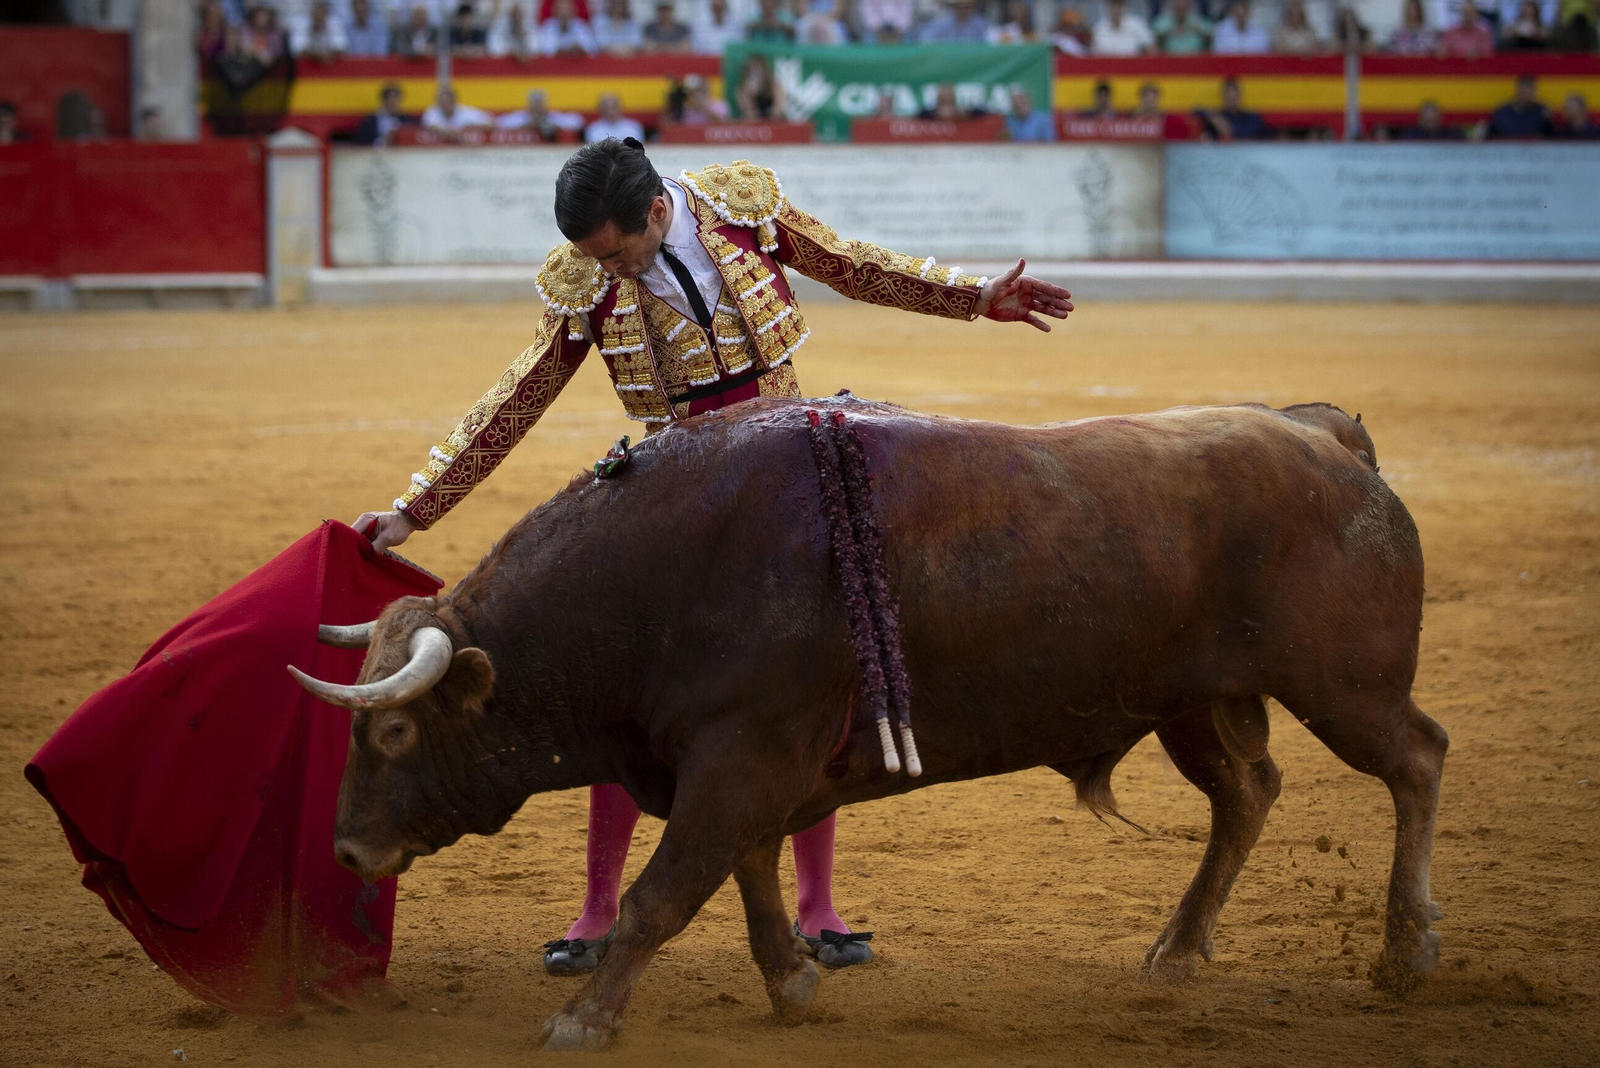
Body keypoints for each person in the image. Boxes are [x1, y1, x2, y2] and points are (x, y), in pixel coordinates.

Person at [354, 139, 1073, 976]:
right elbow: (518, 396)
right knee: (620, 693)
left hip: (792, 480)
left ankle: (818, 907)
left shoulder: (740, 206)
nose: (611, 271)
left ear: (658, 210)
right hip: (676, 502)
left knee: (808, 686)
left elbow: (850, 265)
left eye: (619, 253)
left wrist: (973, 296)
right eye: (598, 260)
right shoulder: (586, 278)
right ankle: (597, 909)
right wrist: (415, 508)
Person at [1196, 77, 1273, 140]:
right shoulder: (1218, 117)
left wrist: (1229, 130)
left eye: (1234, 97)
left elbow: (1266, 137)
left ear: (1239, 96)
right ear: (1223, 97)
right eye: (1228, 97)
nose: (1231, 100)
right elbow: (1196, 111)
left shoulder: (1252, 118)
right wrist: (1213, 117)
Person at [496, 87, 585, 137]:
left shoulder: (553, 116)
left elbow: (578, 121)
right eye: (534, 103)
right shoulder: (521, 116)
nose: (537, 107)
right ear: (529, 104)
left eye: (539, 103)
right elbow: (500, 123)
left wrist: (555, 127)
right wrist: (526, 126)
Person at [1486, 74, 1551, 137]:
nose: (1526, 94)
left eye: (1530, 91)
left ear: (1534, 92)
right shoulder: (1503, 113)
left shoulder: (1542, 113)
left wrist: (1548, 122)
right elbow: (1490, 137)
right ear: (1518, 90)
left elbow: (1551, 138)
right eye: (1523, 91)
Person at [422, 84, 493, 138]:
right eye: (443, 102)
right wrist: (454, 135)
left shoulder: (465, 112)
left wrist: (471, 127)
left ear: (454, 101)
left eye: (448, 101)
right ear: (438, 102)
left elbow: (491, 123)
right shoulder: (432, 112)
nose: (446, 105)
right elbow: (431, 126)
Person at [735, 54, 784, 119]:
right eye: (752, 70)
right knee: (747, 118)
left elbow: (779, 107)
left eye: (758, 69)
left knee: (779, 117)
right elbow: (747, 110)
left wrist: (772, 113)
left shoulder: (774, 84)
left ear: (764, 70)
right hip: (754, 118)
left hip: (772, 117)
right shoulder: (743, 89)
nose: (756, 73)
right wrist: (750, 93)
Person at [920, 0, 992, 42]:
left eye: (967, 6)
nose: (963, 10)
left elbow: (988, 39)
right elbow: (927, 39)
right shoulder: (942, 22)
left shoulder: (979, 22)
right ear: (955, 6)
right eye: (960, 6)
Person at [1395, 99, 1465, 138]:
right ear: (1420, 119)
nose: (1430, 124)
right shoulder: (1409, 135)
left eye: (1432, 121)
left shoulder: (1452, 135)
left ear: (1440, 118)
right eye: (1427, 121)